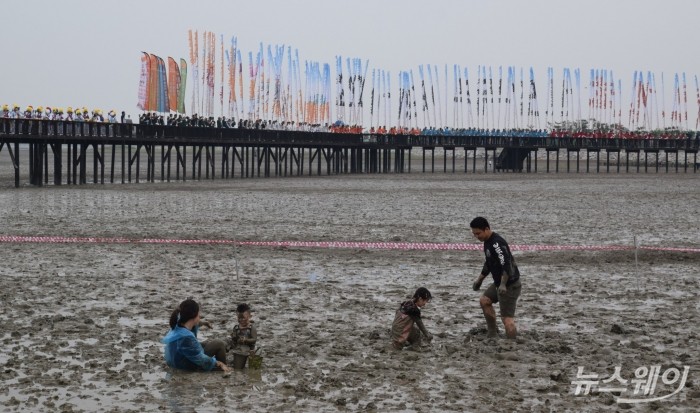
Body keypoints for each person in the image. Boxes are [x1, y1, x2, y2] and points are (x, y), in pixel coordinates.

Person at [470, 217, 521, 339]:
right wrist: (479, 280)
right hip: (499, 283)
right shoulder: (487, 242)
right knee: (484, 301)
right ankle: (492, 333)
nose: (477, 236)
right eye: (474, 234)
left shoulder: (497, 243)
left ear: (487, 229)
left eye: (478, 233)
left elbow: (506, 263)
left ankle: (511, 344)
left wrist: (503, 284)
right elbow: (488, 263)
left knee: (507, 319)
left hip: (510, 284)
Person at [161, 298, 230, 372]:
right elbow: (201, 359)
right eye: (198, 313)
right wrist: (218, 363)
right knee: (218, 343)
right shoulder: (186, 337)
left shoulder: (178, 324)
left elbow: (194, 323)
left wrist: (203, 323)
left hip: (177, 359)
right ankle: (224, 369)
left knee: (206, 343)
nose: (199, 316)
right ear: (193, 316)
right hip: (186, 365)